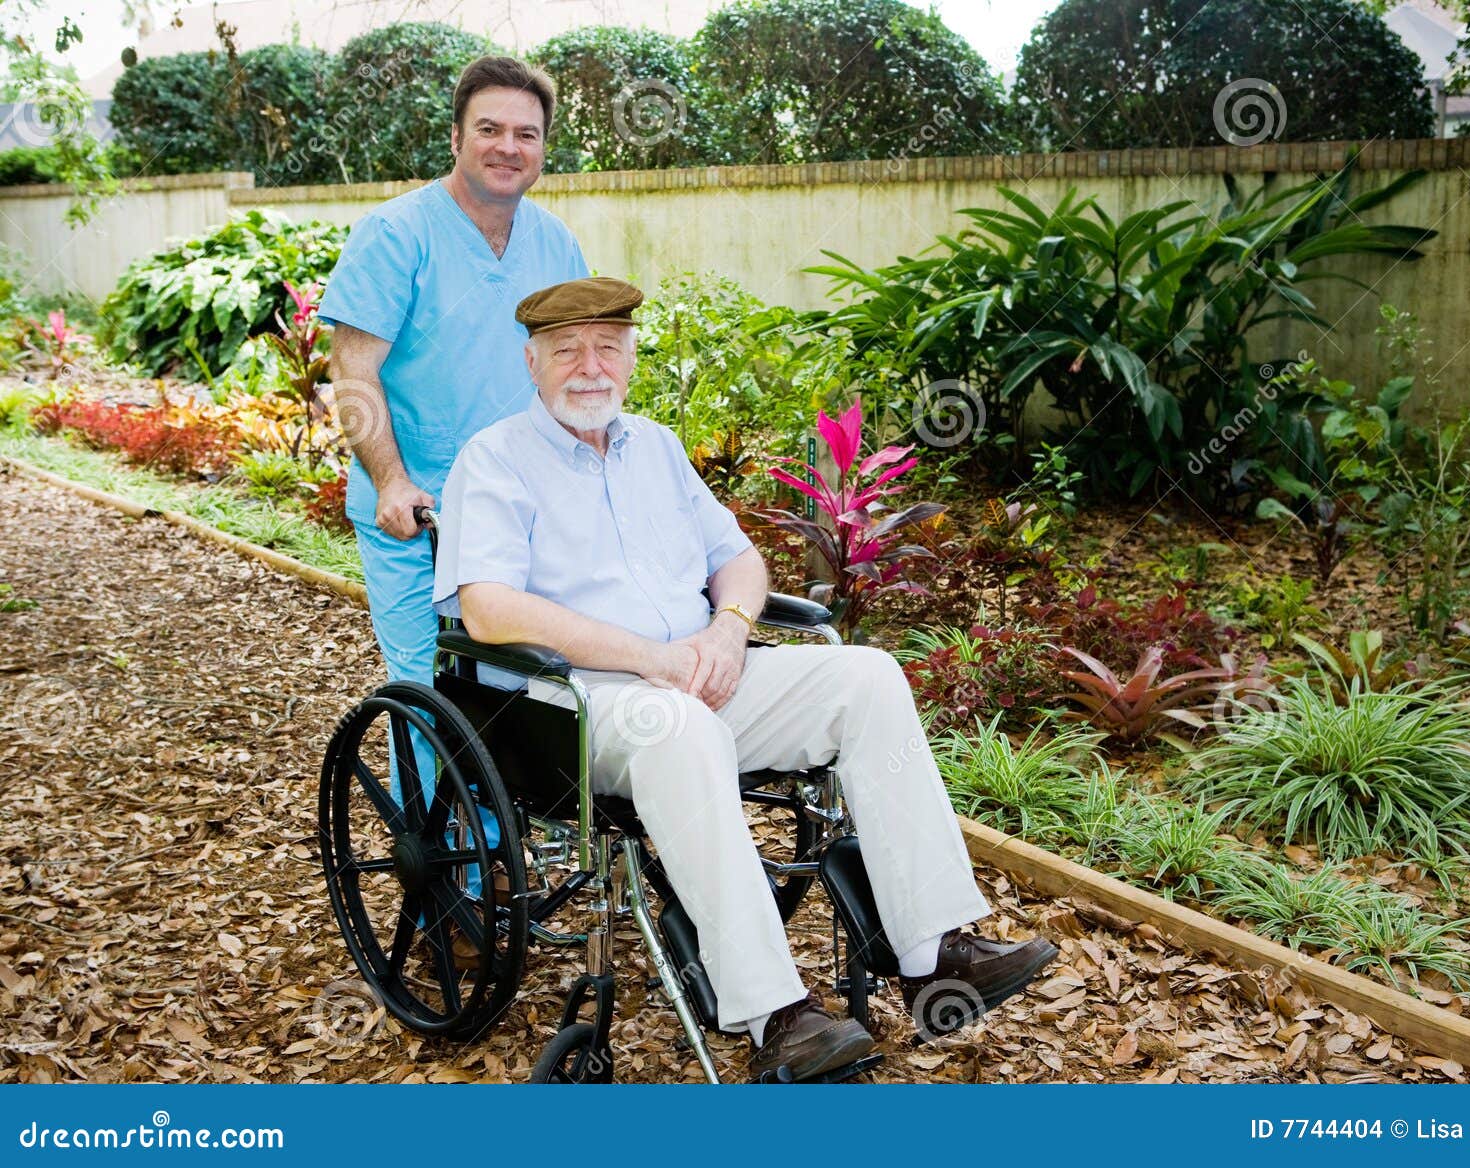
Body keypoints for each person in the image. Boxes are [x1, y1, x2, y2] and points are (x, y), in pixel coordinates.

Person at [432, 276, 1059, 1082]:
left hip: (699, 673)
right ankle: (776, 1018)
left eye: (608, 348)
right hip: (578, 705)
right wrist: (649, 658)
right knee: (682, 728)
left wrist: (730, 629)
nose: (590, 367)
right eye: (567, 350)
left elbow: (739, 560)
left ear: (630, 358)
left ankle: (934, 950)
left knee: (867, 678)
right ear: (532, 362)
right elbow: (486, 608)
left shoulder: (656, 447)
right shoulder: (494, 460)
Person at [319, 56, 589, 686]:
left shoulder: (557, 244)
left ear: (543, 149)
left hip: (525, 512)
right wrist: (391, 481)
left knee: (525, 687)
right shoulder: (394, 234)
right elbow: (353, 368)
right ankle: (421, 761)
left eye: (526, 134)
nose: (508, 147)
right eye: (489, 129)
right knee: (430, 689)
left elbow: (577, 373)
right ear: (456, 137)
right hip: (419, 514)